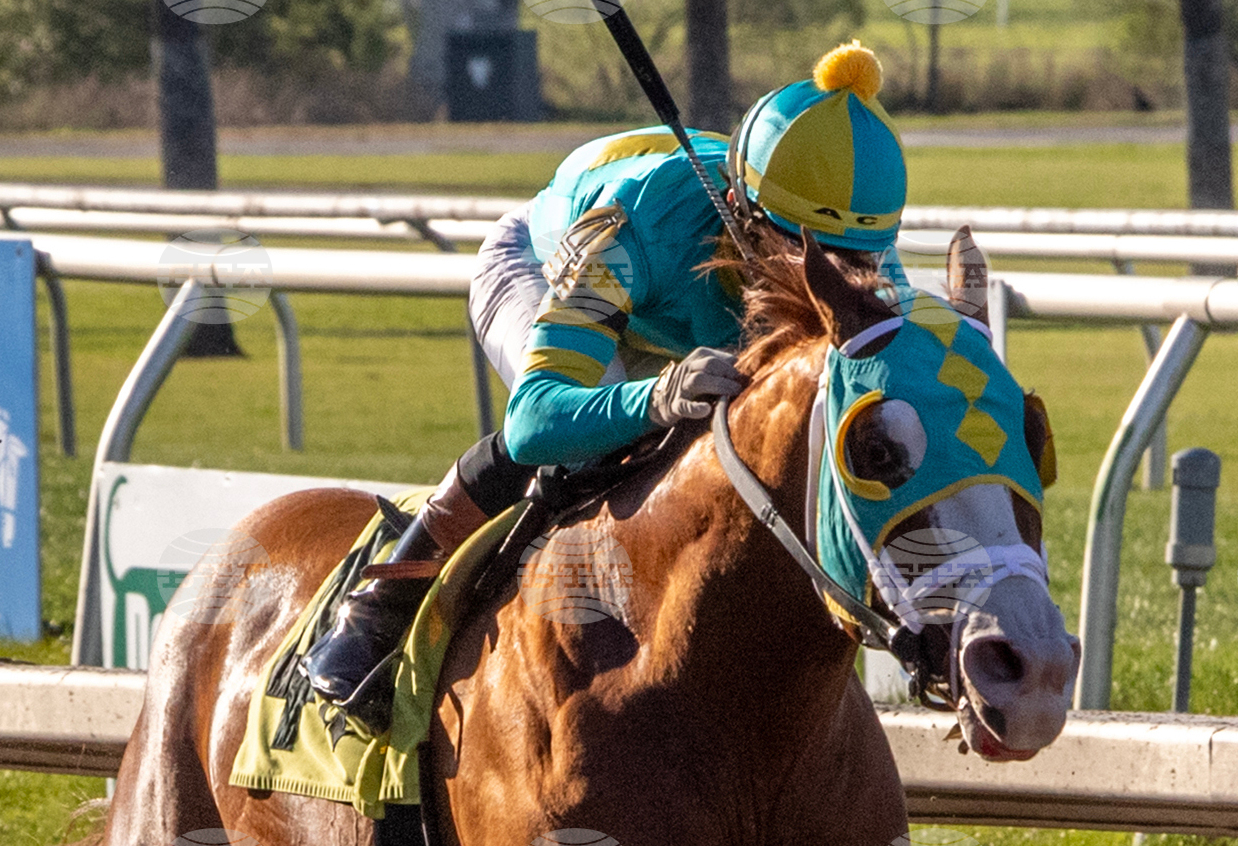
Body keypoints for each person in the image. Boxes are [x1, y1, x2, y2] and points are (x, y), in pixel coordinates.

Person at [303, 41, 910, 719]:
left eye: (851, 261)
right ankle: (381, 606)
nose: (824, 279)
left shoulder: (865, 262)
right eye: (797, 251)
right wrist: (656, 395)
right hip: (538, 266)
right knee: (588, 444)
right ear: (738, 205)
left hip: (673, 319)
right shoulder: (634, 223)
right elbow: (535, 418)